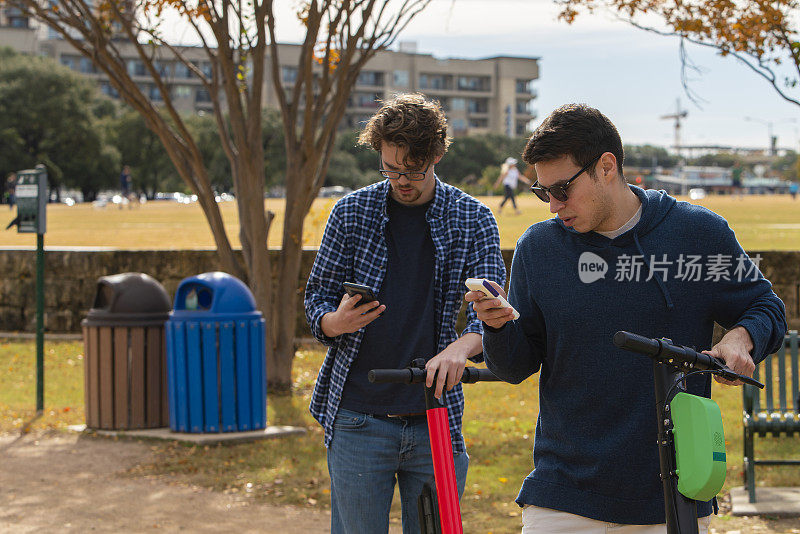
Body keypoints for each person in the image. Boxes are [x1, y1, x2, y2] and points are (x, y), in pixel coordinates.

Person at [467, 104, 787, 533]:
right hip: (562, 493)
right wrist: (497, 326)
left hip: (673, 493)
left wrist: (739, 339)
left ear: (606, 167)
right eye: (543, 193)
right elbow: (514, 366)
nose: (552, 206)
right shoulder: (538, 248)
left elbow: (766, 307)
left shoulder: (697, 233)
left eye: (562, 189)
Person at [304, 93, 506, 534]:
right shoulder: (351, 212)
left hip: (437, 417)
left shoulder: (474, 218)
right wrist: (333, 322)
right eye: (390, 169)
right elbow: (315, 297)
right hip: (357, 416)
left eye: (413, 171)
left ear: (437, 154)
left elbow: (493, 310)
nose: (401, 180)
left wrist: (462, 346)